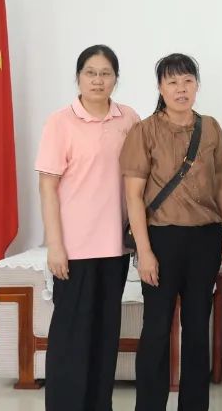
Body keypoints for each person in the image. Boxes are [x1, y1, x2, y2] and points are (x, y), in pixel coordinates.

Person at [121, 53, 222, 411]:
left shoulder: (210, 127)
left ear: (197, 85)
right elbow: (133, 196)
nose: (181, 89)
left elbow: (221, 184)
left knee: (198, 328)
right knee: (156, 328)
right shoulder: (144, 131)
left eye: (187, 81)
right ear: (160, 87)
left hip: (205, 238)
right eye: (172, 82)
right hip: (161, 240)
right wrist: (144, 251)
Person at [37, 44, 140, 411]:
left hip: (115, 247)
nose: (98, 80)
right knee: (71, 337)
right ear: (78, 77)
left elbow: (139, 179)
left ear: (116, 79)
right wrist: (55, 245)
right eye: (90, 73)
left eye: (106, 73)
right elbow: (47, 187)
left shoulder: (128, 118)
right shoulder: (61, 122)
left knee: (105, 335)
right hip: (74, 249)